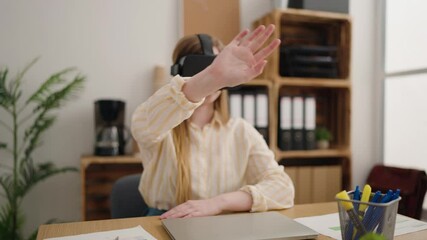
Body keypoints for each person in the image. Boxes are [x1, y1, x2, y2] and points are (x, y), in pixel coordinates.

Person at [131, 24, 295, 219]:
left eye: (215, 66)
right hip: (165, 222)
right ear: (178, 72)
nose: (209, 73)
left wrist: (219, 203)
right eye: (200, 68)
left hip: (223, 224)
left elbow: (283, 188)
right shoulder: (160, 124)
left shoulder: (240, 131)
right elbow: (142, 125)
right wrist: (211, 78)